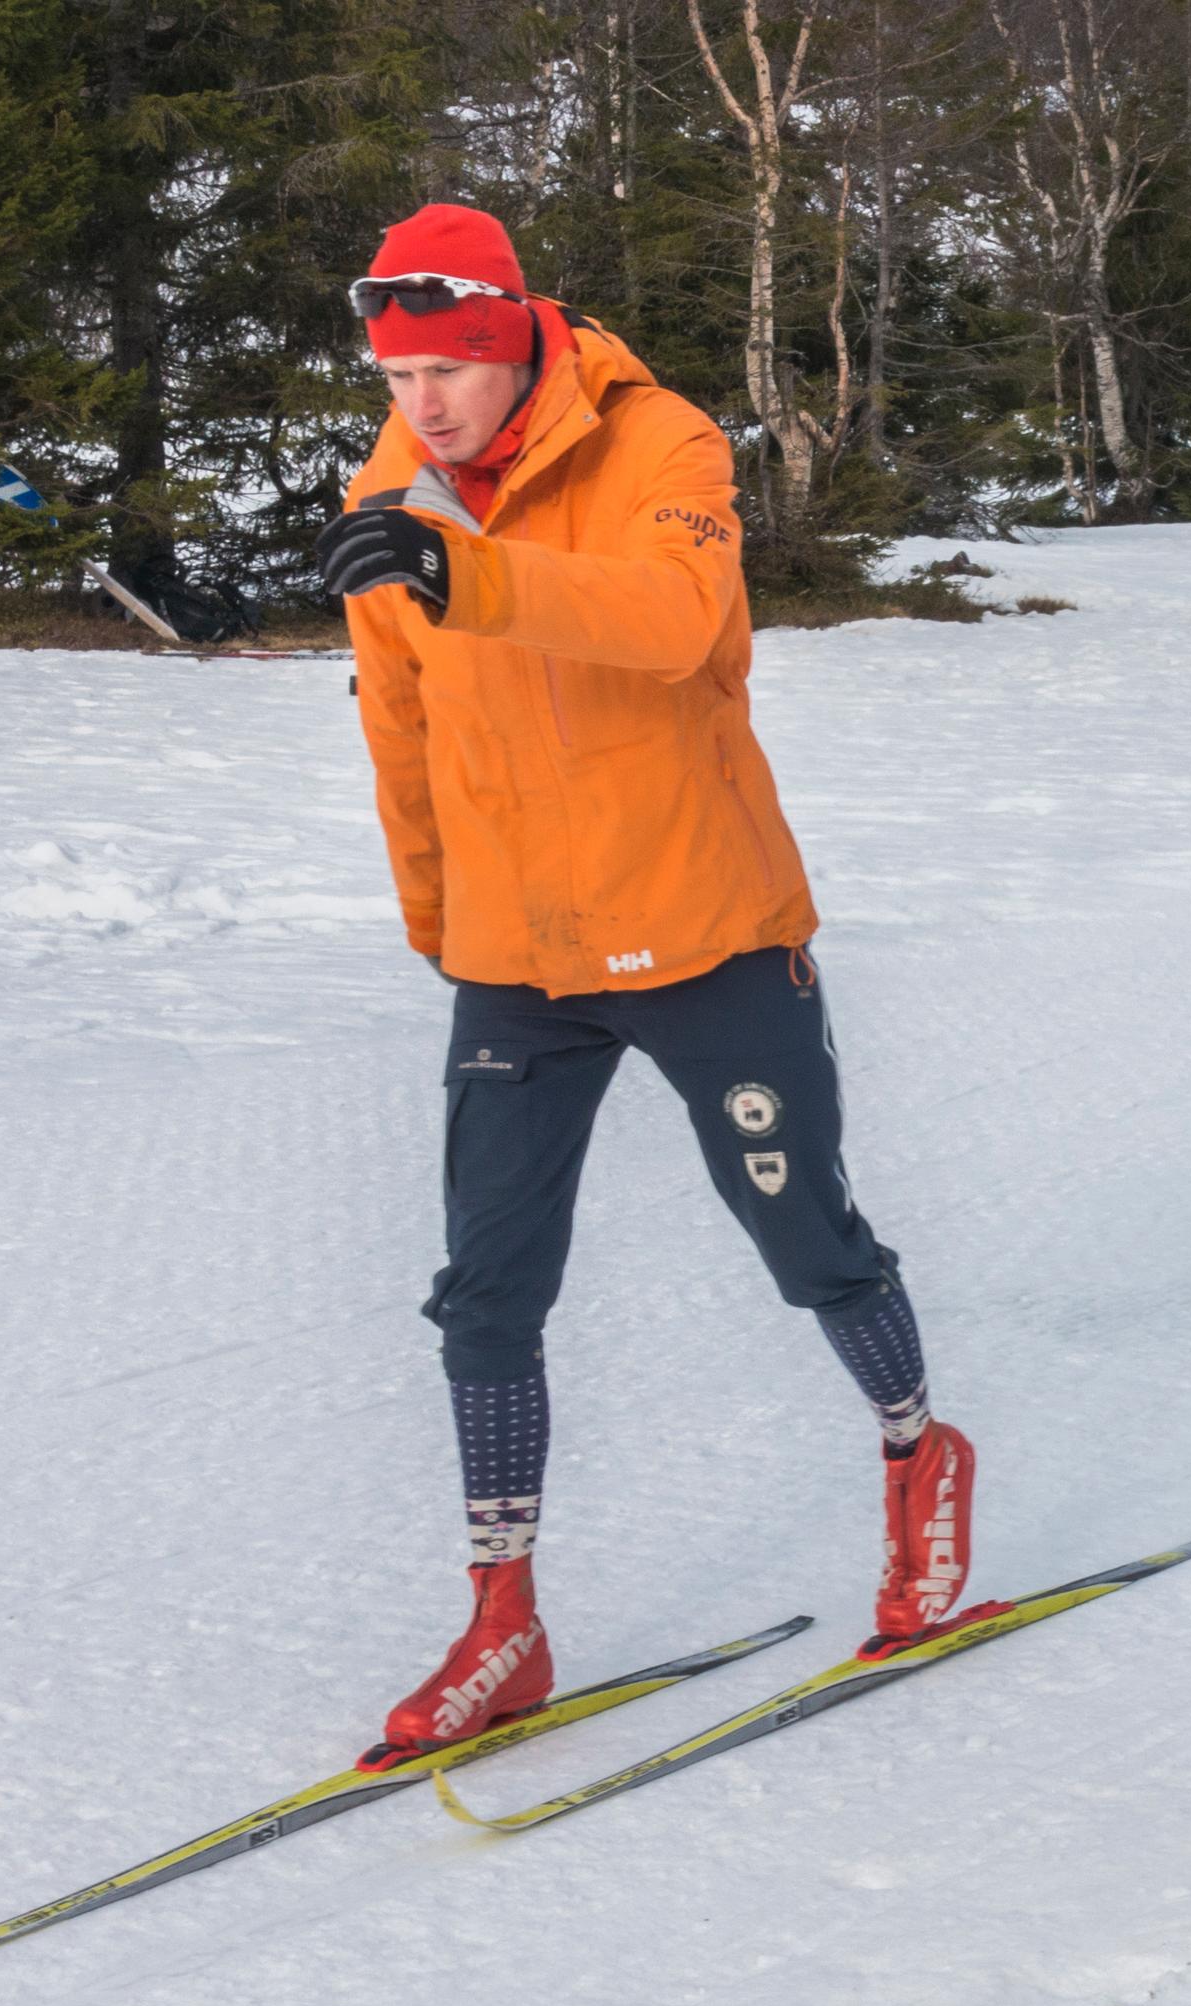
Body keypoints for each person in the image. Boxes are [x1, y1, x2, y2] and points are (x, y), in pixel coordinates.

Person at [307, 203, 978, 1769]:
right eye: (397, 376)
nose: (424, 405)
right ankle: (505, 1618)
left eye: (448, 372)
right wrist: (438, 922)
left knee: (803, 1233)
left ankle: (917, 1454)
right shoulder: (387, 498)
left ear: (510, 340)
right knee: (487, 1285)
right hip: (514, 956)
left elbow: (677, 628)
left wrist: (466, 572)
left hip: (703, 925)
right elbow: (400, 736)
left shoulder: (659, 441)